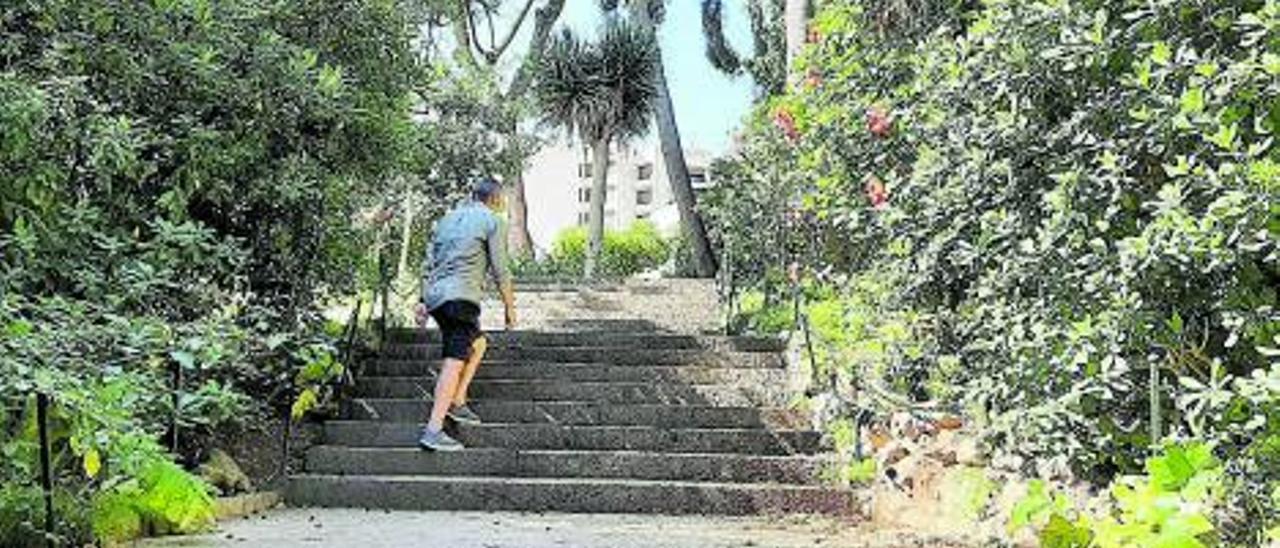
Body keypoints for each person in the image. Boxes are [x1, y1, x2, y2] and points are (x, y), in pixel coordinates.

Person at [415, 177, 516, 452]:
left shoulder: (446, 221)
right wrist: (510, 309)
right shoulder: (494, 221)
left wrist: (422, 301)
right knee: (454, 360)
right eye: (502, 199)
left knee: (478, 343)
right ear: (495, 199)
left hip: (437, 297)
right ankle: (433, 430)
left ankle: (458, 401)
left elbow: (428, 263)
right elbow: (500, 270)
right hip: (461, 297)